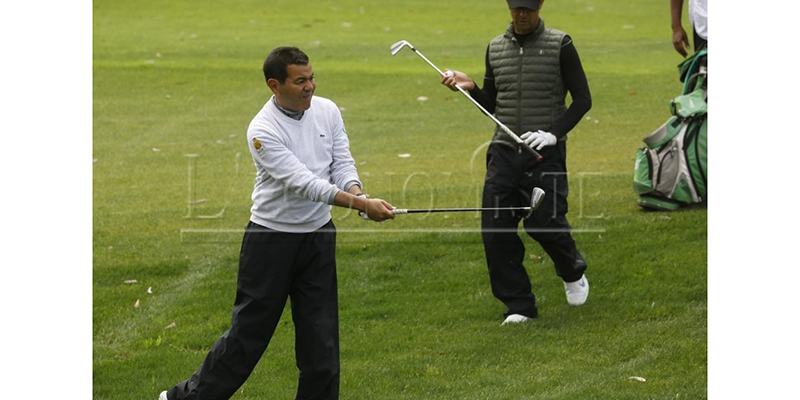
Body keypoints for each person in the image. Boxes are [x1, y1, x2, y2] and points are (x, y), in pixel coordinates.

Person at [160, 46, 395, 400]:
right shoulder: (262, 130)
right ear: (275, 85)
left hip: (317, 238)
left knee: (322, 341)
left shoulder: (328, 111)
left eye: (312, 77)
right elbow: (305, 183)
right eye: (300, 81)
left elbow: (342, 162)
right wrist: (360, 204)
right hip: (271, 241)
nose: (310, 87)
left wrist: (358, 194)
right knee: (248, 337)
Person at [440, 0, 591, 325]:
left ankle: (571, 270)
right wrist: (470, 88)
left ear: (539, 8)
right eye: (516, 9)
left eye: (528, 10)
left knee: (545, 224)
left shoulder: (560, 44)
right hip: (504, 151)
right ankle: (519, 305)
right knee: (496, 231)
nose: (522, 16)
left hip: (544, 152)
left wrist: (553, 134)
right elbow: (493, 104)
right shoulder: (496, 48)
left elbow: (582, 99)